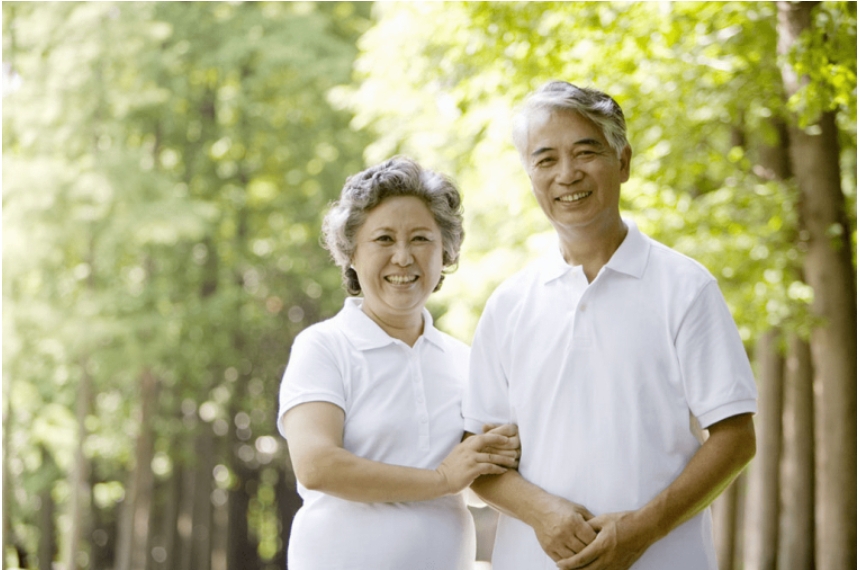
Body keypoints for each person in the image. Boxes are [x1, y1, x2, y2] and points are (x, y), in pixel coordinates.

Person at [463, 81, 758, 570]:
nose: (567, 174)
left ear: (622, 161)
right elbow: (478, 461)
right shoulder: (508, 304)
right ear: (530, 175)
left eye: (586, 151)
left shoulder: (686, 288)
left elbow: (735, 437)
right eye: (545, 160)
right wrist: (542, 513)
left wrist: (644, 529)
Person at [277, 156, 520, 570]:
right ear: (351, 253)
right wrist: (441, 481)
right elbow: (317, 466)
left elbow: (477, 486)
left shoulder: (465, 360)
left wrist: (496, 457)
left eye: (421, 239)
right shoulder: (323, 347)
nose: (404, 257)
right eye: (384, 239)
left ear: (445, 252)